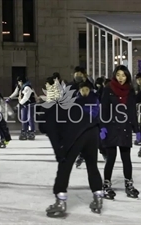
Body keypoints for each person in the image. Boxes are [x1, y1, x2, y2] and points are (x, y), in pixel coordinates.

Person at [39, 81, 104, 217]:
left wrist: (59, 154)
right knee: (92, 166)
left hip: (77, 133)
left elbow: (53, 135)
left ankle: (60, 202)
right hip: (92, 130)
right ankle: (98, 197)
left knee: (64, 166)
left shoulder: (47, 110)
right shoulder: (66, 101)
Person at [100, 65, 141, 199]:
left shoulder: (130, 90)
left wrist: (137, 129)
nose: (121, 78)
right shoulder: (108, 89)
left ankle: (129, 183)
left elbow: (132, 112)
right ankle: (106, 184)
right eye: (118, 75)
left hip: (125, 127)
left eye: (123, 75)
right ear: (114, 75)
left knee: (126, 158)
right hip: (111, 127)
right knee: (111, 158)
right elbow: (104, 110)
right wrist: (103, 127)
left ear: (127, 76)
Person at [8, 76, 36, 140]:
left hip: (29, 104)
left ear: (21, 81)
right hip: (23, 104)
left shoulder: (27, 87)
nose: (18, 83)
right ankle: (24, 130)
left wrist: (19, 104)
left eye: (19, 81)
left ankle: (31, 131)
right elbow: (16, 92)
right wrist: (10, 98)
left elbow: (26, 97)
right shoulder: (20, 86)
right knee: (23, 118)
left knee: (30, 117)